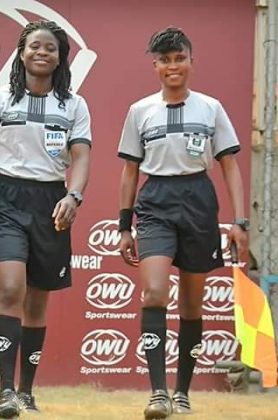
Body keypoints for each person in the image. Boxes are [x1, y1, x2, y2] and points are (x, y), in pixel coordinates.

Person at [117, 27, 248, 419]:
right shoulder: (140, 111)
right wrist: (124, 225)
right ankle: (158, 394)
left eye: (179, 58)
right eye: (164, 60)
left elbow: (230, 166)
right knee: (154, 293)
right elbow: (129, 172)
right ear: (155, 66)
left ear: (191, 61)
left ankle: (183, 392)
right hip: (155, 202)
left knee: (192, 304)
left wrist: (239, 221)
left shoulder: (211, 108)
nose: (172, 66)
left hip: (198, 201)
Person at [0, 20, 92, 419]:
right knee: (11, 289)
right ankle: (5, 391)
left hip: (51, 203)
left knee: (37, 303)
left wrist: (74, 195)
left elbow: (82, 157)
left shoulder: (73, 105)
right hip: (6, 199)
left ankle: (26, 391)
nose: (42, 52)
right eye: (34, 46)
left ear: (60, 57)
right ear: (21, 53)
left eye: (50, 48)